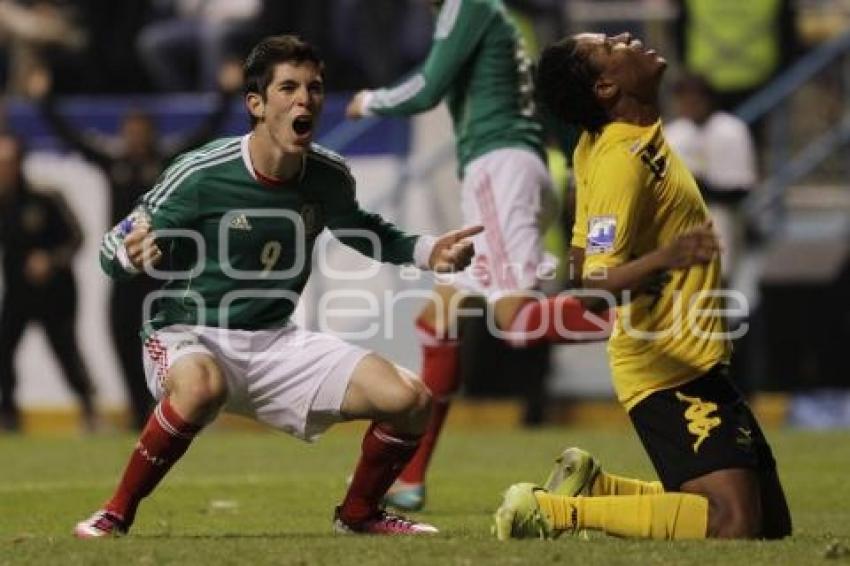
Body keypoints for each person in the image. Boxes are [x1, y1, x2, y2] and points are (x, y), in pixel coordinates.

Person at [73, 34, 481, 538]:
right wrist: (129, 256)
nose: (304, 98)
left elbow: (364, 229)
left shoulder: (328, 176)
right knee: (202, 388)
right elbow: (114, 247)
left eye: (314, 87)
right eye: (288, 87)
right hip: (188, 334)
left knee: (410, 399)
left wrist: (427, 251)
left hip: (273, 339)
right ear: (257, 104)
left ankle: (359, 515)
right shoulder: (202, 173)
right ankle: (114, 513)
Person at [493, 32, 792, 541]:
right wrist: (666, 257)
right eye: (611, 45)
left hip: (693, 358)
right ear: (606, 86)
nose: (628, 38)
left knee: (768, 524)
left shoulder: (609, 145)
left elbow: (585, 252)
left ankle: (597, 487)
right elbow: (594, 285)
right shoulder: (619, 161)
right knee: (733, 523)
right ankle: (553, 512)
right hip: (666, 367)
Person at [345, 0, 611, 512]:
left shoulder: (468, 5)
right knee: (436, 322)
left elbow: (426, 87)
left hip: (501, 167)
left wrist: (369, 101)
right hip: (508, 165)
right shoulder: (500, 17)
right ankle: (412, 479)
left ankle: (642, 318)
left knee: (514, 320)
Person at [27, 63, 240, 430]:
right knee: (122, 340)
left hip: (163, 275)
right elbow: (72, 139)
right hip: (125, 275)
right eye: (131, 131)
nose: (136, 137)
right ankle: (138, 414)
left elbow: (206, 134)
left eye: (142, 131)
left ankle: (174, 411)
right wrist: (45, 100)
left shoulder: (166, 163)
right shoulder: (114, 163)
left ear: (151, 134)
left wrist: (226, 95)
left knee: (172, 344)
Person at [0, 132, 97, 432]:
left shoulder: (45, 197)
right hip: (18, 291)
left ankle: (89, 409)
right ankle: (9, 414)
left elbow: (77, 237)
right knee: (4, 350)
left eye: (8, 162)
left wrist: (51, 260)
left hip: (56, 292)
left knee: (65, 351)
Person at [665, 73, 757, 281]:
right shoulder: (673, 134)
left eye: (695, 99)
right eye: (683, 100)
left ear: (708, 100)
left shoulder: (731, 129)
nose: (689, 105)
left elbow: (740, 189)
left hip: (723, 214)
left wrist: (700, 186)